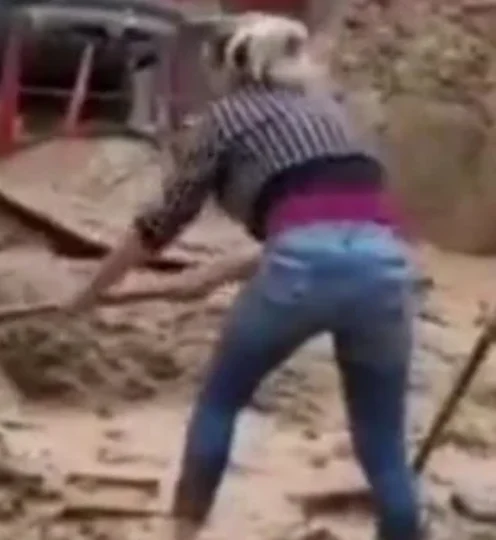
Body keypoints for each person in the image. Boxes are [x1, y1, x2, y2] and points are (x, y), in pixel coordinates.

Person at [65, 13, 420, 540]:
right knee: (383, 441)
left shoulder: (227, 118)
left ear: (231, 67)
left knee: (221, 399)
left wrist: (94, 290)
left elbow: (161, 222)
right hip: (388, 269)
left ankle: (184, 530)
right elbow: (342, 221)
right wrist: (218, 273)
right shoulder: (333, 114)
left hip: (299, 269)